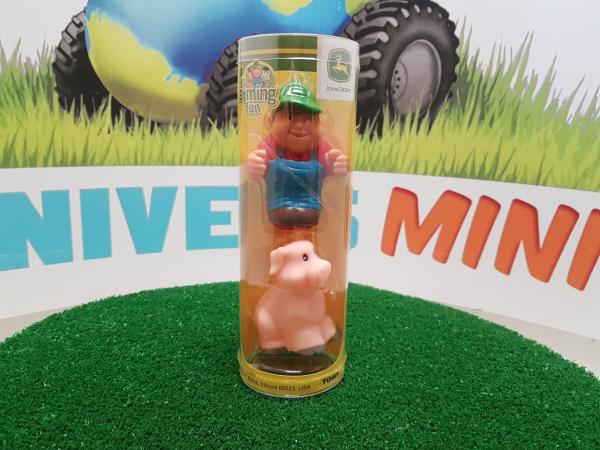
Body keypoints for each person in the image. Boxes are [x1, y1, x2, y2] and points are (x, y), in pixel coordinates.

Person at [246, 80, 348, 228]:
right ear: (271, 121)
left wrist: (338, 165)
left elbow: (332, 166)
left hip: (310, 211)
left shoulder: (320, 149)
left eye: (308, 119)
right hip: (278, 209)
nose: (299, 125)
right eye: (290, 117)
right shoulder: (271, 147)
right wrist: (253, 165)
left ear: (321, 124)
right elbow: (258, 165)